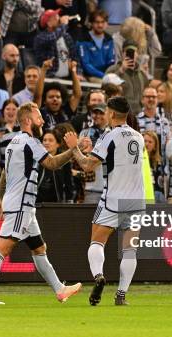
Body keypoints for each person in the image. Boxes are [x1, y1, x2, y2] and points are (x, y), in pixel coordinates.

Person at [0, 101, 82, 305]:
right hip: (21, 205)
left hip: (22, 205)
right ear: (29, 120)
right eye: (39, 116)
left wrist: (0, 198)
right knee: (3, 247)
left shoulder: (14, 142)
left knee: (39, 248)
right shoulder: (31, 142)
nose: (42, 120)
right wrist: (73, 150)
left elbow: (5, 173)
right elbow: (51, 163)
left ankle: (60, 289)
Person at [64, 96, 145, 306]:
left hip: (113, 198)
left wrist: (74, 148)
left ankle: (99, 275)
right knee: (129, 250)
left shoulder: (110, 136)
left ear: (111, 113)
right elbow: (118, 160)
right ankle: (121, 295)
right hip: (136, 200)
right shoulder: (139, 137)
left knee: (97, 242)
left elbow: (88, 166)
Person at [105, 40, 150, 114]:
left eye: (133, 52)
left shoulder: (142, 74)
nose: (130, 54)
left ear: (137, 54)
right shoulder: (113, 69)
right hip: (118, 113)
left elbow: (146, 93)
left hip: (138, 115)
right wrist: (121, 71)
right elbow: (105, 86)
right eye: (127, 52)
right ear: (122, 53)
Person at [34, 9, 81, 79]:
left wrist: (78, 73)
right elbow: (52, 38)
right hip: (49, 77)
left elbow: (75, 58)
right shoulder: (40, 38)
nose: (59, 17)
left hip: (68, 77)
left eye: (58, 15)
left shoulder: (66, 36)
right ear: (48, 23)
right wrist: (63, 25)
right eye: (55, 17)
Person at [79, 102, 110, 203]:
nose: (97, 116)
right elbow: (79, 156)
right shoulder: (84, 133)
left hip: (109, 188)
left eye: (101, 113)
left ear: (108, 114)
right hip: (90, 187)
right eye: (95, 113)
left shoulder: (113, 133)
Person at [77, 9, 115, 82]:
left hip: (106, 75)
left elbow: (111, 61)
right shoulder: (83, 39)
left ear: (107, 23)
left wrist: (109, 75)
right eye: (97, 22)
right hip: (89, 76)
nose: (100, 25)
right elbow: (86, 65)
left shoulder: (109, 39)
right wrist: (103, 76)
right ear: (91, 23)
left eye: (103, 22)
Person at [37, 129, 75, 202]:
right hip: (38, 203)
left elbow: (69, 183)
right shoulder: (37, 159)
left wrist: (70, 200)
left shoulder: (65, 161)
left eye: (50, 140)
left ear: (58, 144)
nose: (46, 143)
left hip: (57, 203)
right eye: (44, 140)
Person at [143, 130, 165, 202]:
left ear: (155, 146)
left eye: (150, 142)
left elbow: (160, 185)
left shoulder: (159, 162)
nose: (146, 144)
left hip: (156, 195)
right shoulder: (136, 160)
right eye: (145, 141)